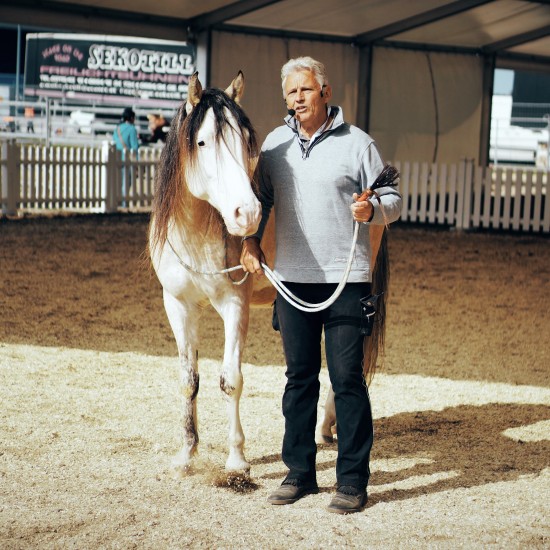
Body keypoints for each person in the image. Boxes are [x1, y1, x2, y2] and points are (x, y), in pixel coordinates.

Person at [240, 56, 402, 514]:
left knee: (347, 380)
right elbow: (260, 200)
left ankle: (351, 481)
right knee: (298, 380)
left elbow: (392, 197)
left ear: (326, 93)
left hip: (346, 279)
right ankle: (299, 473)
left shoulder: (357, 144)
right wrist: (251, 242)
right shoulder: (274, 146)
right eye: (290, 92)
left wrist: (373, 211)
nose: (297, 99)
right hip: (292, 281)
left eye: (305, 90)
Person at [112, 107, 139, 205]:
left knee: (116, 183)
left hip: (115, 158)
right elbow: (134, 147)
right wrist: (136, 163)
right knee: (126, 184)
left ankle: (116, 202)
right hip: (126, 160)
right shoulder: (132, 129)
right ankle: (123, 204)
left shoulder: (117, 129)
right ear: (131, 118)